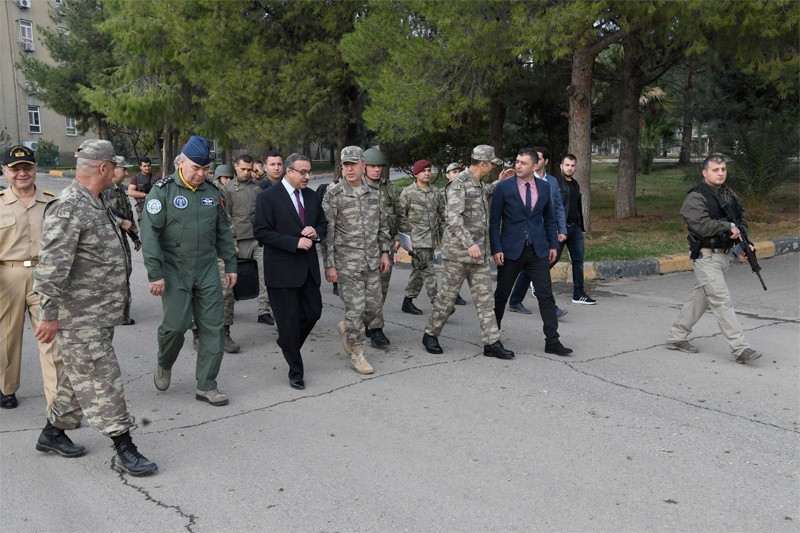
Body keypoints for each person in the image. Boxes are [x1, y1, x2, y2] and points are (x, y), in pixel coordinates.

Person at [32, 139, 157, 476]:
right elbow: (50, 267)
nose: (119, 172)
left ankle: (53, 433)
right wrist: (48, 314)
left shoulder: (97, 202)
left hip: (98, 313)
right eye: (115, 166)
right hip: (79, 317)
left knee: (80, 376)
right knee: (103, 378)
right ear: (103, 168)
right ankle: (124, 445)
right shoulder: (70, 205)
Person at [141, 135, 238, 406]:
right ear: (182, 162)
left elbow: (222, 233)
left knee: (213, 327)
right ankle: (164, 361)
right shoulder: (162, 191)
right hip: (174, 270)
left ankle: (207, 385)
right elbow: (149, 234)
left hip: (207, 268)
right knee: (176, 326)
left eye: (205, 169)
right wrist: (154, 272)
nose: (201, 174)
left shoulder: (212, 192)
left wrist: (230, 265)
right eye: (196, 167)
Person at [665, 155, 762, 364]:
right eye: (715, 169)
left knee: (700, 299)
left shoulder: (729, 194)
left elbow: (740, 220)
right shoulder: (696, 197)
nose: (720, 173)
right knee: (721, 301)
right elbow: (701, 225)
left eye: (723, 169)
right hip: (706, 257)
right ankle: (740, 348)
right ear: (705, 173)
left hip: (722, 257)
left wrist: (745, 241)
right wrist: (729, 228)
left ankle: (676, 337)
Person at [422, 145, 514, 359]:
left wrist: (500, 181)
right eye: (491, 164)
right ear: (483, 164)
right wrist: (469, 244)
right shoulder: (459, 184)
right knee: (447, 298)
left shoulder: (478, 183)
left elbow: (485, 192)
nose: (492, 167)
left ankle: (491, 343)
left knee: (485, 300)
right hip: (458, 254)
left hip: (478, 255)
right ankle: (430, 334)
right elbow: (453, 219)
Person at [253, 154, 327, 389]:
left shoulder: (312, 196)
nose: (308, 176)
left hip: (307, 270)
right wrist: (293, 243)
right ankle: (296, 370)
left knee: (313, 312)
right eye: (303, 172)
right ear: (289, 171)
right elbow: (261, 232)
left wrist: (316, 232)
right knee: (288, 322)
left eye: (309, 172)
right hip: (282, 271)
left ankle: (287, 343)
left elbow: (324, 224)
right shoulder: (268, 197)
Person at [490, 147, 573, 356]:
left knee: (546, 295)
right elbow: (494, 222)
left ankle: (552, 341)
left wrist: (553, 244)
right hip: (510, 250)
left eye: (523, 163)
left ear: (535, 165)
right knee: (501, 295)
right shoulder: (504, 188)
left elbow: (550, 218)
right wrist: (496, 248)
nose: (518, 166)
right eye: (517, 161)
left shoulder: (544, 188)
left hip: (537, 250)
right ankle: (491, 340)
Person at [0, 145, 63, 410]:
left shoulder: (52, 202)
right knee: (7, 339)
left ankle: (58, 404)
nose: (22, 173)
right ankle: (7, 388)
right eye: (15, 169)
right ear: (5, 171)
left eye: (27, 167)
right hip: (7, 276)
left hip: (44, 276)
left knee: (52, 342)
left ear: (35, 169)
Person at [322, 146, 392, 374]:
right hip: (346, 263)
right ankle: (358, 353)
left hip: (371, 261)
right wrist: (330, 265)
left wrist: (384, 252)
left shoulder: (374, 194)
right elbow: (328, 235)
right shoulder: (334, 194)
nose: (349, 169)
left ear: (363, 164)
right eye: (345, 165)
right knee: (356, 309)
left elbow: (383, 227)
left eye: (353, 164)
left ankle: (348, 329)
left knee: (373, 309)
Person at [507, 146, 568, 316]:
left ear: (544, 162)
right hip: (529, 233)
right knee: (539, 269)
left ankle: (515, 300)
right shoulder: (522, 180)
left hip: (546, 232)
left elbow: (557, 207)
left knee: (532, 268)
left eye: (540, 158)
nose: (537, 161)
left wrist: (561, 229)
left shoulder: (552, 182)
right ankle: (550, 308)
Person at [221, 154, 274, 329]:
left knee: (265, 275)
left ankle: (263, 311)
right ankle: (229, 309)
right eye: (243, 169)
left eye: (249, 169)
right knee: (234, 278)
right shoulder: (227, 189)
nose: (246, 172)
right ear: (235, 167)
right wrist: (231, 241)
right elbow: (225, 217)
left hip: (257, 239)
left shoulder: (258, 189)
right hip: (238, 240)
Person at [190, 164, 238, 353]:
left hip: (216, 249)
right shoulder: (170, 190)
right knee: (195, 293)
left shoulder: (213, 190)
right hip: (191, 252)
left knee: (227, 290)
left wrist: (231, 242)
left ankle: (224, 333)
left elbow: (224, 219)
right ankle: (198, 334)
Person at [363, 147, 402, 346]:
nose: (376, 170)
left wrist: (400, 237)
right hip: (363, 248)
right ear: (364, 167)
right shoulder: (358, 188)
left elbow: (400, 214)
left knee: (381, 289)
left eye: (379, 166)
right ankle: (370, 325)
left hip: (385, 245)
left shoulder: (389, 188)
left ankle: (374, 325)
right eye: (372, 166)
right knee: (367, 290)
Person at [399, 159, 445, 315]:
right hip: (416, 240)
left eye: (429, 170)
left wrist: (441, 236)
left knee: (418, 271)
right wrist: (402, 239)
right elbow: (400, 216)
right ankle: (438, 303)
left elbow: (441, 214)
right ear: (416, 173)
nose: (427, 173)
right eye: (423, 171)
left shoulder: (435, 192)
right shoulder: (408, 192)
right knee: (428, 271)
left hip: (431, 240)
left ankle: (407, 301)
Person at [555, 154, 596, 305]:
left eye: (572, 165)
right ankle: (531, 281)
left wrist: (579, 224)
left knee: (578, 261)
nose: (570, 168)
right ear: (561, 166)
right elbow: (553, 207)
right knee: (551, 259)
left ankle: (578, 294)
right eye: (567, 165)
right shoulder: (556, 183)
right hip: (561, 228)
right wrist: (557, 228)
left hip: (575, 228)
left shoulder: (575, 184)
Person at [109, 157, 141, 326]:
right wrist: (120, 222)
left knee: (125, 272)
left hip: (121, 238)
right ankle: (118, 314)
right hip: (108, 240)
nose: (127, 173)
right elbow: (102, 212)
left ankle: (122, 312)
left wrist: (135, 237)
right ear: (113, 168)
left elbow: (127, 214)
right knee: (116, 275)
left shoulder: (120, 189)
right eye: (124, 169)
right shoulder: (103, 190)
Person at [444, 162, 467, 306]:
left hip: (462, 236)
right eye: (453, 172)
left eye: (459, 171)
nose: (457, 174)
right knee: (451, 271)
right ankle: (446, 299)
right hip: (450, 237)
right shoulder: (443, 192)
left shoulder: (463, 190)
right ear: (447, 175)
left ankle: (453, 294)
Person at [127, 157, 156, 227]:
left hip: (156, 209)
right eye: (144, 166)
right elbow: (130, 192)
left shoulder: (157, 178)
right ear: (140, 167)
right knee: (144, 230)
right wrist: (145, 195)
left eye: (148, 166)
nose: (147, 168)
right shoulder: (136, 178)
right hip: (142, 210)